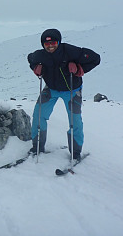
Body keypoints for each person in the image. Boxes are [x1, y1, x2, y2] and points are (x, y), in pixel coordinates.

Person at [27, 28, 100, 159]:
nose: (50, 46)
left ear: (59, 42)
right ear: (43, 44)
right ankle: (37, 147)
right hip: (51, 89)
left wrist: (80, 68)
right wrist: (35, 68)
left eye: (53, 43)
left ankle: (75, 152)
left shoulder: (71, 51)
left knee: (74, 121)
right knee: (39, 115)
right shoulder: (40, 55)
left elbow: (95, 58)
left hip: (72, 90)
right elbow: (30, 58)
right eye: (47, 44)